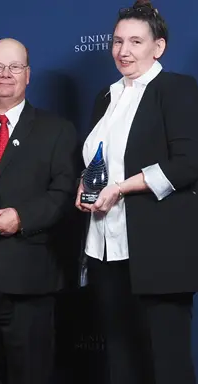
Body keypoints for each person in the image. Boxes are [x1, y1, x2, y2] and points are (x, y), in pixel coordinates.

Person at [75, 1, 198, 383]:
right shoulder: (105, 97)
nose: (123, 51)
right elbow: (102, 160)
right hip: (106, 248)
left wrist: (122, 188)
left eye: (135, 41)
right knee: (121, 358)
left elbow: (188, 163)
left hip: (159, 250)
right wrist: (86, 183)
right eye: (117, 41)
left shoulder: (176, 88)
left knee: (167, 361)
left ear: (158, 47)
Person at [0, 38, 78, 384]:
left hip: (29, 281)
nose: (5, 74)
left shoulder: (58, 130)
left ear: (28, 75)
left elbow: (64, 194)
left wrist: (22, 218)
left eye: (15, 67)